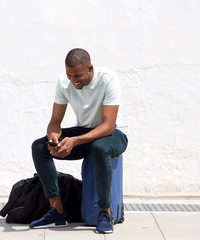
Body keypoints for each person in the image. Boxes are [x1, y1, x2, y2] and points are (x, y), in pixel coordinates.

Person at [29, 48, 128, 234]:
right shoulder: (63, 82)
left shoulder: (108, 79)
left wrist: (74, 141)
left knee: (100, 147)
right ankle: (57, 212)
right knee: (39, 147)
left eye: (78, 75)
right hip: (84, 132)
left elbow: (108, 126)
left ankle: (105, 213)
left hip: (114, 134)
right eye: (69, 75)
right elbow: (55, 122)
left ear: (90, 68)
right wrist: (53, 137)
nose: (73, 80)